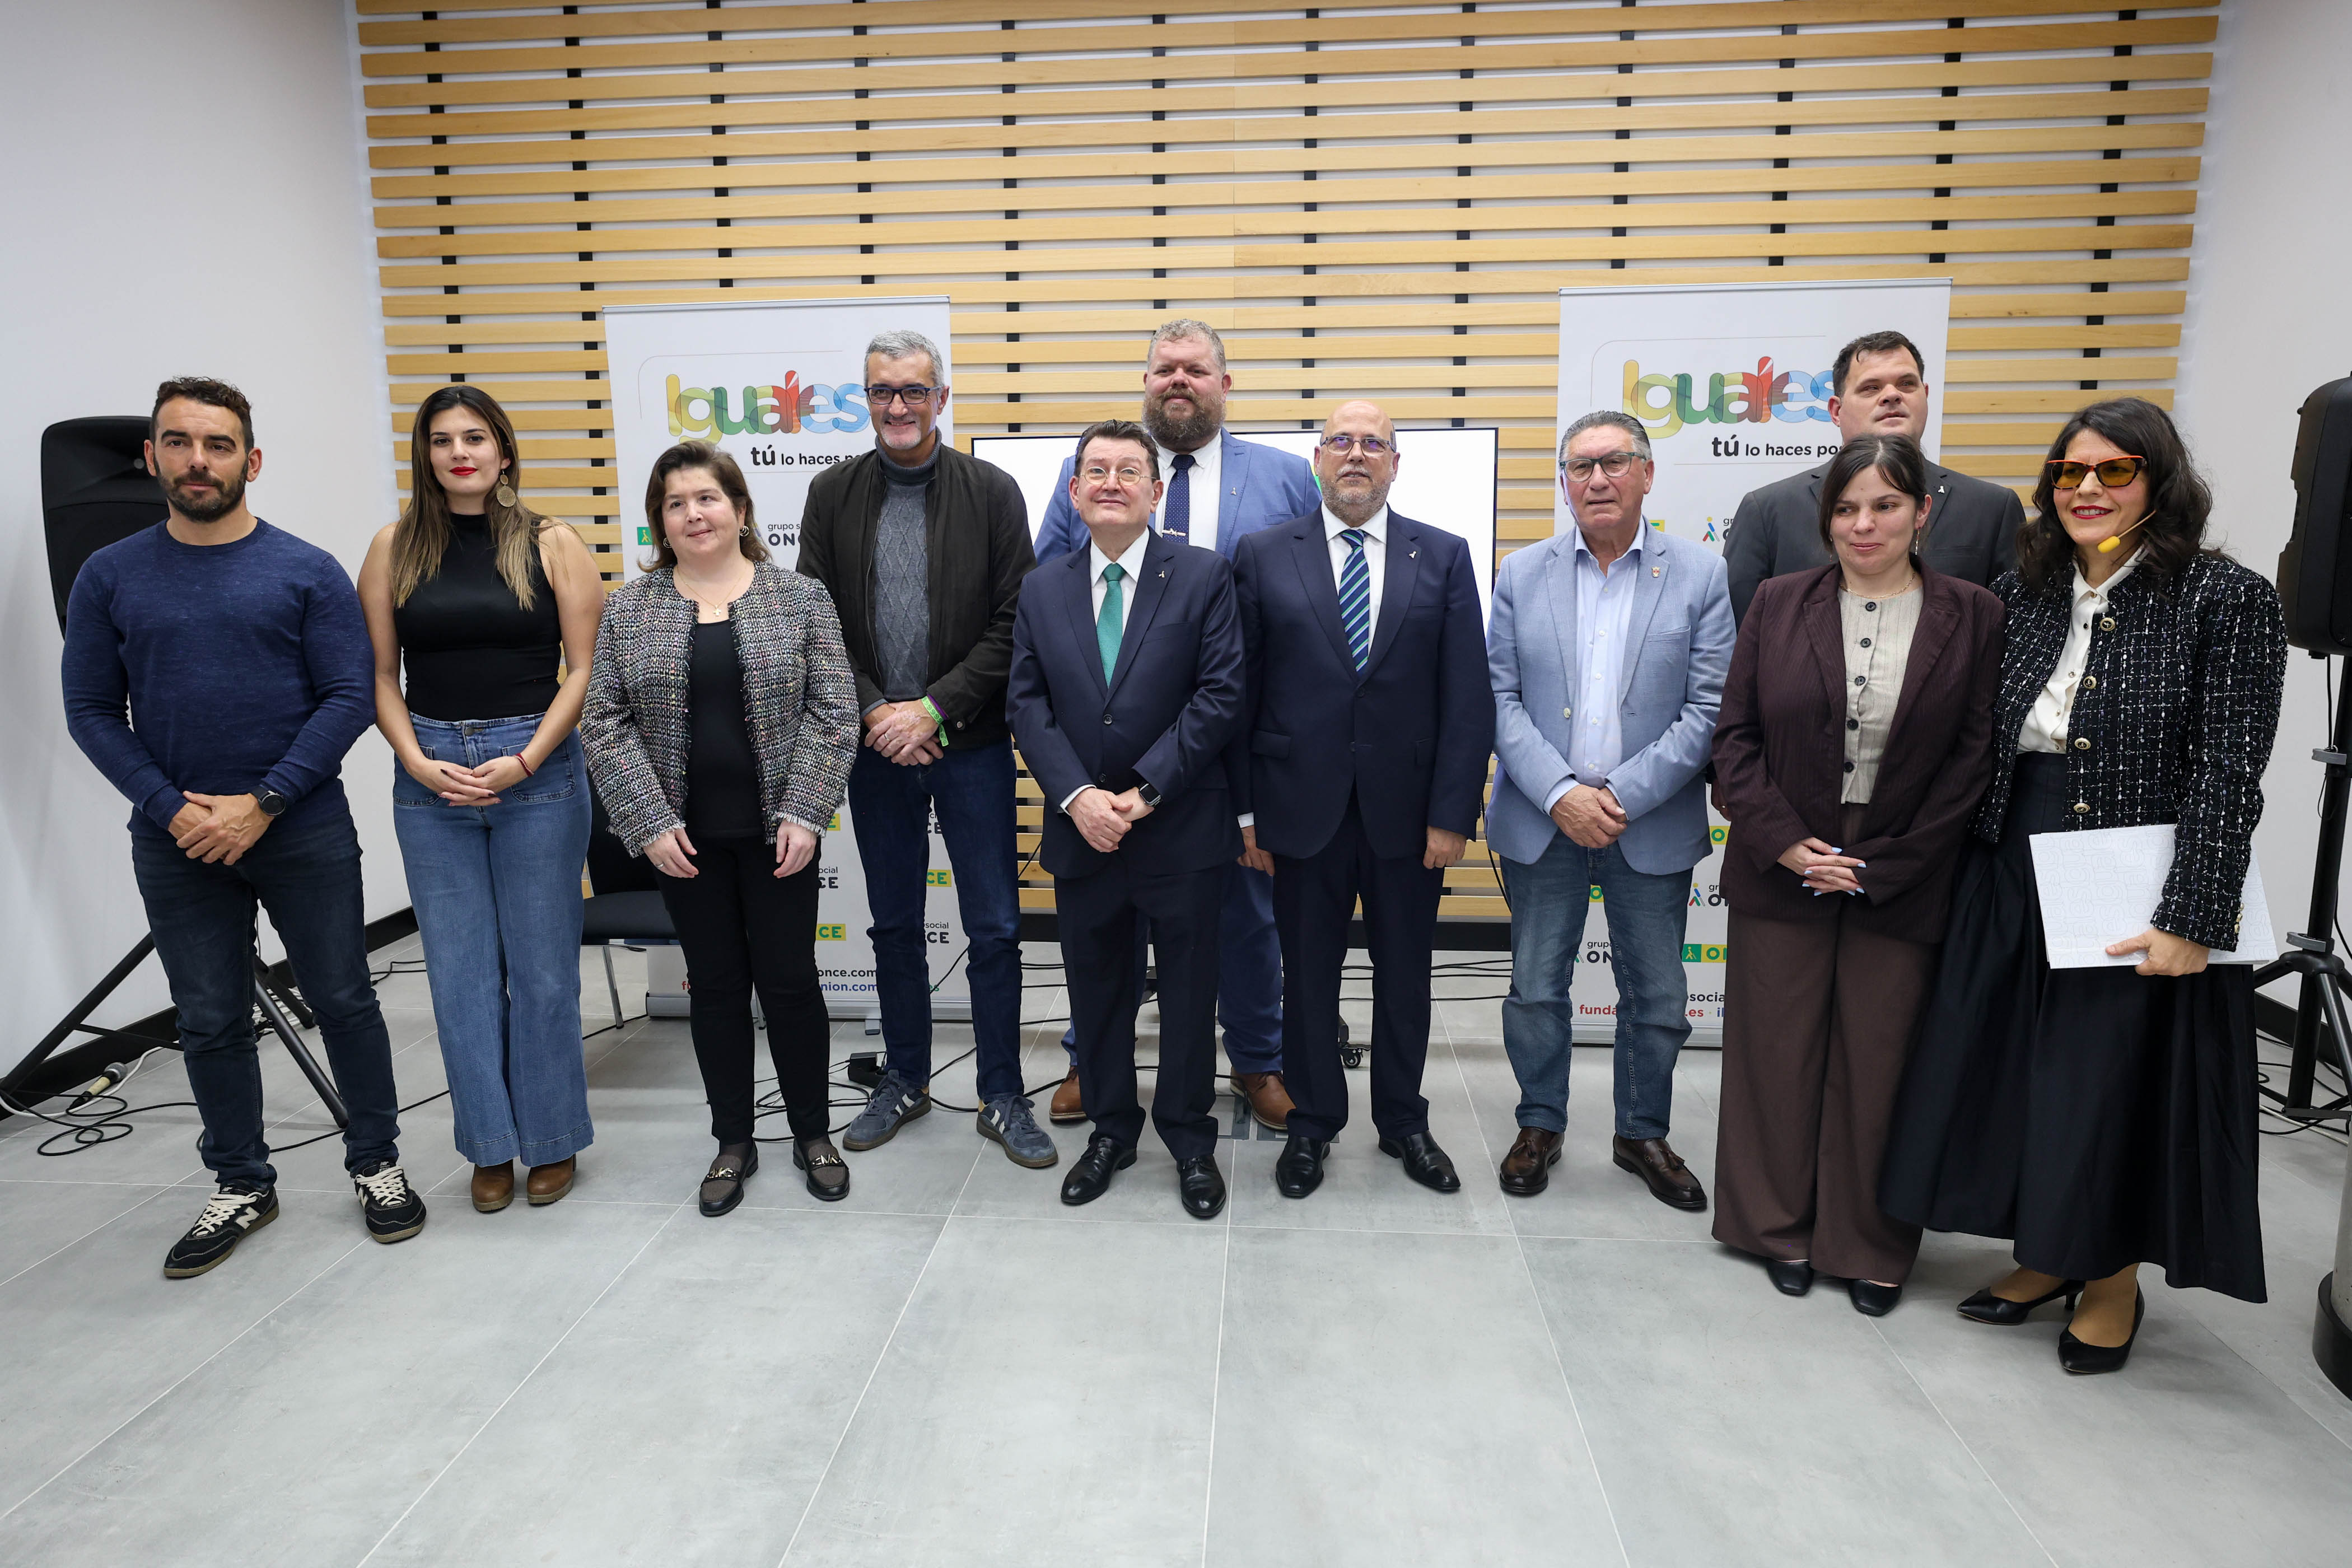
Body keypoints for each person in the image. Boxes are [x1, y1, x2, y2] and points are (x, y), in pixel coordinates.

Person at [1880, 397, 2288, 1373]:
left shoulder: (2222, 597)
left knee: (2102, 1083)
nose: (2090, 490)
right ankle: (2046, 1255)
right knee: (2016, 1070)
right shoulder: (2026, 588)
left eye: (2115, 472)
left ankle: (2109, 1279)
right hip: (2009, 854)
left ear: (2159, 482)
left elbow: (2230, 772)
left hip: (2130, 874)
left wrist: (2193, 915)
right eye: (2072, 473)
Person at [62, 377, 424, 1277]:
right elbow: (92, 712)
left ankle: (377, 1163)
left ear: (250, 461)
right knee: (210, 1016)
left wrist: (262, 803)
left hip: (299, 826)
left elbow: (350, 696)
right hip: (177, 837)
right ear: (151, 457)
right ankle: (240, 1181)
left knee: (343, 998)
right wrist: (174, 808)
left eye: (218, 445)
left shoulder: (305, 569)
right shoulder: (110, 574)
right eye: (179, 442)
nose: (198, 460)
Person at [1707, 435, 2004, 1315]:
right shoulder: (1776, 601)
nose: (1864, 524)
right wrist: (1792, 846)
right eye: (1846, 508)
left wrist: (1887, 866)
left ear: (1924, 512)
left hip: (1904, 870)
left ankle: (1868, 1243)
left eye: (1884, 505)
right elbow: (1735, 741)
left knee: (1881, 1064)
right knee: (1775, 1053)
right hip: (1784, 861)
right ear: (1824, 518)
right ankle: (1773, 1227)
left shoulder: (1976, 613)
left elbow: (1974, 758)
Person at [1033, 319, 1320, 1131]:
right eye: (1165, 370)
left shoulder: (1286, 477)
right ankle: (1096, 1058)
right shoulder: (1092, 475)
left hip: (1241, 732)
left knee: (1247, 910)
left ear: (1225, 384)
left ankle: (1257, 1060)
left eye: (1196, 369)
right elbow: (1056, 583)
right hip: (1117, 745)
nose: (1179, 381)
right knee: (1108, 918)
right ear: (1148, 383)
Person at [580, 442, 860, 1217]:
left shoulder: (800, 599)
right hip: (682, 843)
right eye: (675, 504)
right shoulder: (631, 610)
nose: (693, 514)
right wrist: (649, 822)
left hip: (779, 838)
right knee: (718, 992)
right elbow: (603, 723)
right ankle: (732, 1140)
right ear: (660, 522)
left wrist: (807, 810)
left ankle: (813, 1135)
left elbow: (835, 714)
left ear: (739, 509)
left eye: (706, 498)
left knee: (792, 985)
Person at [795, 329, 1051, 1169]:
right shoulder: (832, 495)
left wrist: (934, 710)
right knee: (895, 923)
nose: (897, 407)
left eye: (913, 391)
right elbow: (819, 621)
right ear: (864, 400)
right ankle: (902, 1077)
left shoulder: (993, 492)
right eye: (880, 392)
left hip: (970, 742)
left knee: (995, 928)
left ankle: (1003, 1091)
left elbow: (1016, 618)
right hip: (875, 750)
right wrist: (879, 714)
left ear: (942, 399)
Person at [1231, 401, 1491, 1198]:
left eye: (1372, 443)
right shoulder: (1264, 553)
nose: (1355, 455)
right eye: (1340, 442)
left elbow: (1467, 696)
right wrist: (1246, 814)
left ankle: (1404, 1121)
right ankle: (1312, 1125)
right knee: (1305, 975)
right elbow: (1238, 695)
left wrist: (1453, 814)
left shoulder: (1442, 556)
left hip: (1409, 817)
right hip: (1296, 809)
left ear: (1395, 463)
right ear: (1317, 459)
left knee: (1405, 973)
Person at [358, 385, 605, 1215]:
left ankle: (550, 1140)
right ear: (425, 455)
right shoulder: (394, 548)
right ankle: (489, 1147)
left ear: (502, 450)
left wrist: (528, 758)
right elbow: (379, 679)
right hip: (430, 779)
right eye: (441, 440)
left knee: (540, 975)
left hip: (535, 771)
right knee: (460, 976)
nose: (459, 453)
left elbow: (584, 670)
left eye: (474, 438)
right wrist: (417, 760)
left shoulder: (554, 543)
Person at [1486, 410, 1733, 1207]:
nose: (1597, 479)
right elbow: (1498, 696)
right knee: (1534, 987)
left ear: (1648, 476)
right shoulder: (1521, 573)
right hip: (1542, 814)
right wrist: (1562, 794)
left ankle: (1642, 1133)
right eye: (1580, 466)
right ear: (1563, 482)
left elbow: (1709, 707)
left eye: (1614, 463)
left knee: (1658, 994)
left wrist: (1617, 796)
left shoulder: (1700, 575)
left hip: (1647, 820)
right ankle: (1539, 1123)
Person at [1006, 419, 1248, 1219]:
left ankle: (1188, 1137)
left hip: (1178, 829)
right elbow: (1027, 704)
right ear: (1073, 493)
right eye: (1095, 471)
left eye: (1128, 471)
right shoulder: (1042, 588)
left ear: (1156, 491)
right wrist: (1079, 798)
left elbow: (1220, 698)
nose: (1111, 482)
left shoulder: (1205, 576)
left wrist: (1142, 794)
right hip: (1083, 833)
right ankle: (1112, 1129)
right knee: (1098, 993)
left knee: (1188, 995)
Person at [1724, 329, 2023, 623]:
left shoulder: (1991, 508)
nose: (1892, 395)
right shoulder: (1767, 511)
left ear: (1926, 396)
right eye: (1871, 388)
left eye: (1907, 384)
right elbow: (1740, 644)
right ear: (1836, 411)